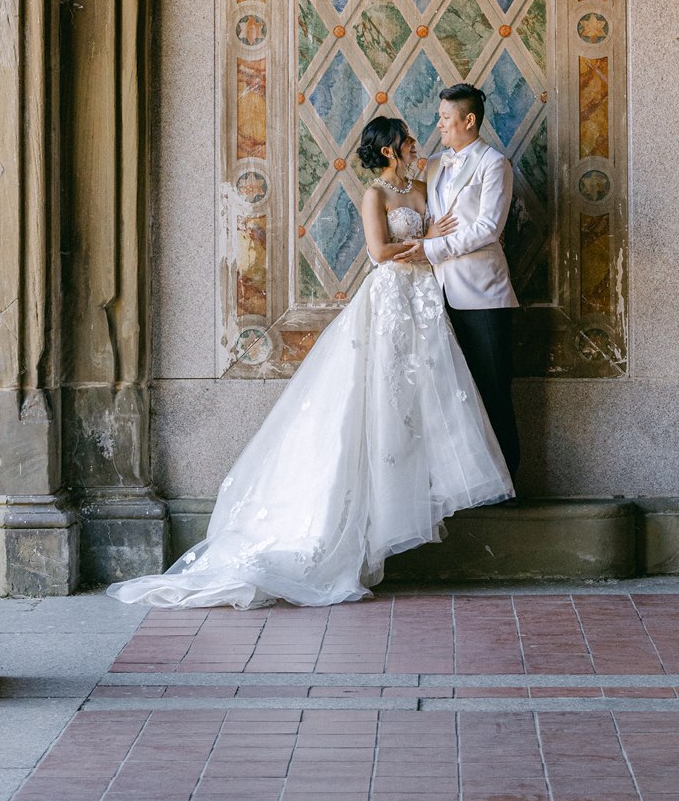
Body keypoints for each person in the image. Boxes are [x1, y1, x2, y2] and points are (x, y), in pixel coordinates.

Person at [107, 115, 512, 609]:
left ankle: (414, 494)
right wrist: (424, 245)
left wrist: (435, 240)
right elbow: (380, 252)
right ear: (389, 151)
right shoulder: (375, 195)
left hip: (426, 298)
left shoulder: (425, 186)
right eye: (406, 139)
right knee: (378, 395)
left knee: (425, 393)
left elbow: (448, 224)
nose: (415, 142)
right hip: (390, 298)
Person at [422, 82, 521, 481]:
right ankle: (465, 485)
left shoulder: (494, 163)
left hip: (483, 297)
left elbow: (487, 228)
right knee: (452, 396)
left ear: (469, 120)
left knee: (493, 392)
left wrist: (434, 248)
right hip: (435, 294)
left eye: (446, 117)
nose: (439, 123)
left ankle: (507, 484)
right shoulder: (432, 164)